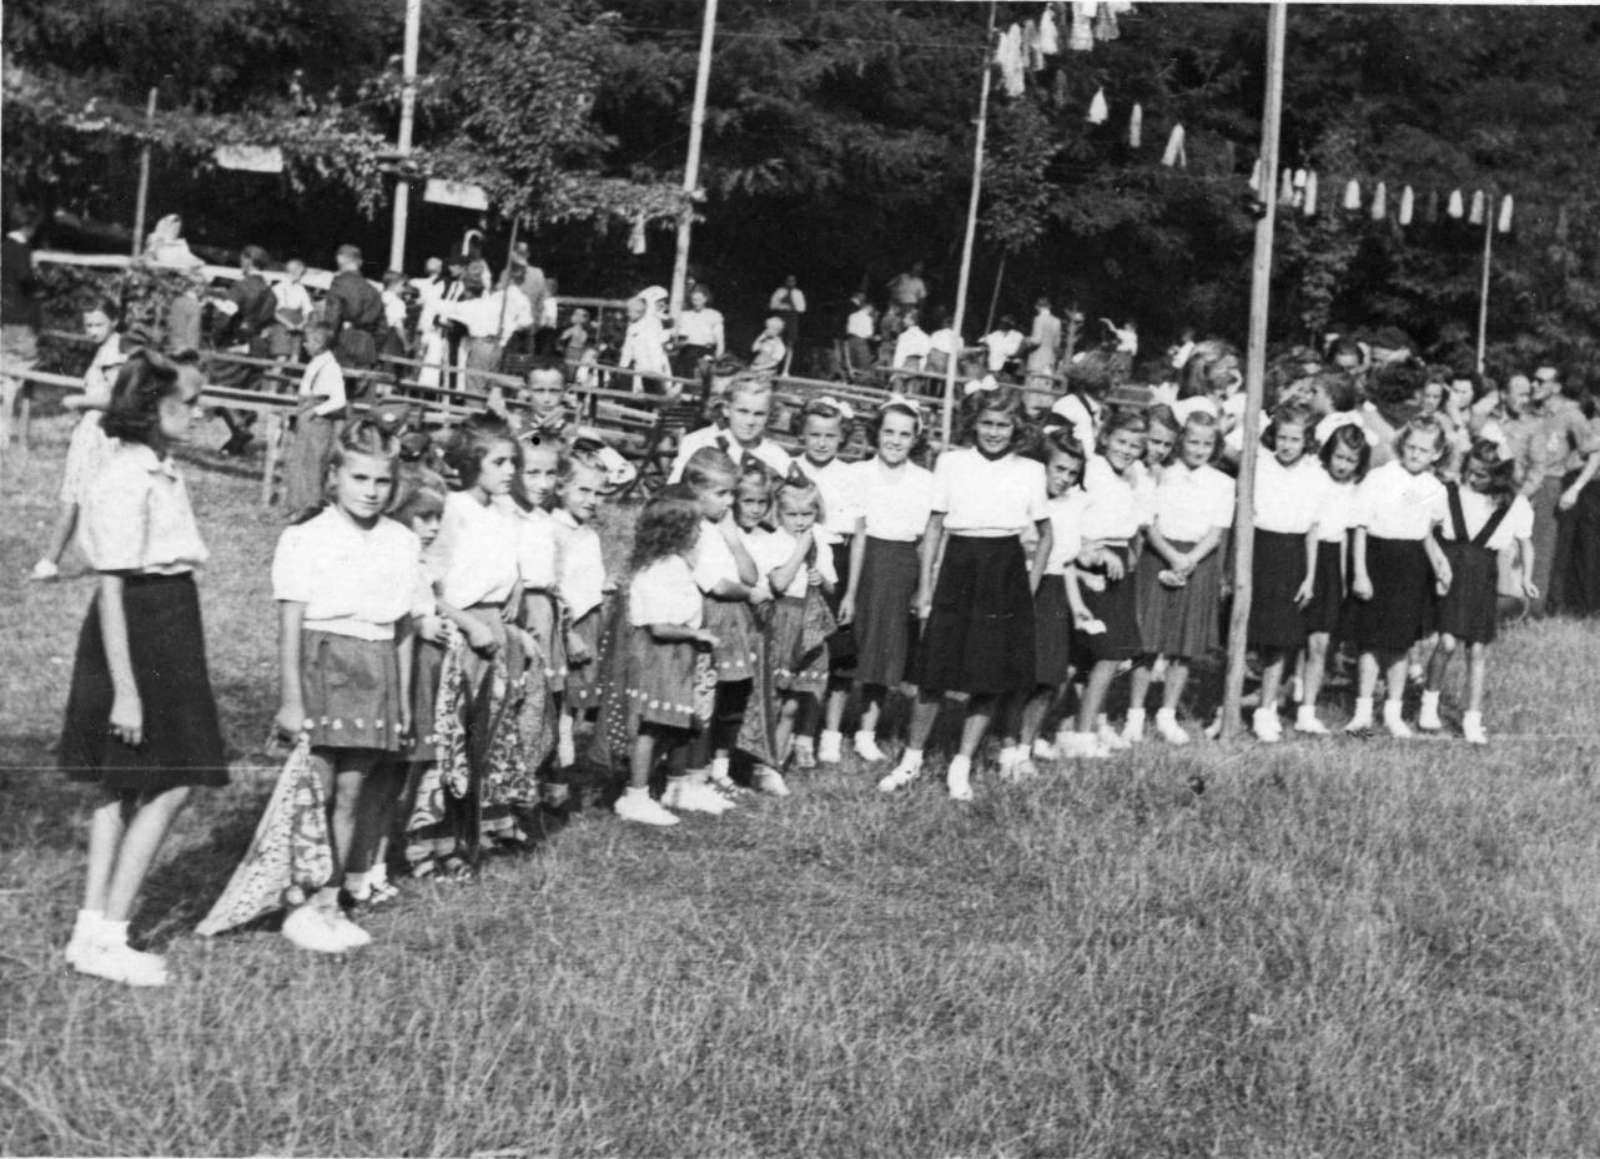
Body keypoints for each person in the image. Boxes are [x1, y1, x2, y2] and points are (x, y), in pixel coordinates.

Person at [60, 353, 226, 986]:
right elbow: (112, 588)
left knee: (123, 783)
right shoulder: (125, 477)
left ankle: (92, 932)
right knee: (173, 779)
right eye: (190, 401)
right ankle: (108, 934)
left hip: (169, 618)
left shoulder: (161, 468)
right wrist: (126, 692)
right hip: (140, 630)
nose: (200, 412)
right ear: (152, 407)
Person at [270, 419, 417, 952]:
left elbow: (402, 628)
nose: (371, 491)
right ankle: (299, 901)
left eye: (381, 481)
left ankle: (329, 902)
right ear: (334, 476)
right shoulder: (306, 537)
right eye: (359, 478)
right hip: (322, 664)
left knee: (352, 792)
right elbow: (290, 624)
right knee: (316, 789)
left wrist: (401, 701)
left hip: (374, 669)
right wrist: (292, 699)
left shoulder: (401, 540)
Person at [878, 386, 1050, 799]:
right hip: (959, 565)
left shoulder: (1030, 470)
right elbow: (935, 526)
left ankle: (962, 764)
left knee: (987, 675)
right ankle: (912, 759)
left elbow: (1046, 535)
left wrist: (1028, 588)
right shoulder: (951, 463)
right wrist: (925, 589)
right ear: (973, 424)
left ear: (1016, 428)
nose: (994, 432)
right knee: (934, 671)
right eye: (987, 423)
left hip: (1004, 570)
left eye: (1003, 425)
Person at [600, 488, 719, 826]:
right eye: (695, 526)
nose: (699, 533)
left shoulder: (673, 564)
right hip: (658, 656)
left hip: (675, 656)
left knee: (674, 723)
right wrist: (696, 634)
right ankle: (635, 795)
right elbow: (659, 626)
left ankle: (672, 787)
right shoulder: (660, 569)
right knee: (651, 725)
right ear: (677, 531)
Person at [1124, 411, 1233, 746]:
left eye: (1207, 444)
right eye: (1193, 441)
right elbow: (1149, 524)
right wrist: (1171, 557)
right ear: (1181, 440)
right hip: (1159, 555)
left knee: (1184, 646)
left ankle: (1167, 714)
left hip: (1199, 560)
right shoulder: (1162, 475)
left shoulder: (1222, 483)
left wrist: (1189, 560)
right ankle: (1134, 715)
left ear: (1215, 446)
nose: (1199, 449)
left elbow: (1216, 531)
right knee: (1148, 641)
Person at [1420, 439, 1537, 745]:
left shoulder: (1515, 505)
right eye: (1469, 471)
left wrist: (1526, 577)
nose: (1472, 479)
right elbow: (1427, 532)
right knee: (1446, 643)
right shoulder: (1450, 494)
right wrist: (1438, 564)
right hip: (1451, 573)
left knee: (1477, 649)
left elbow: (1525, 543)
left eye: (1481, 475)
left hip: (1483, 578)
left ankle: (1472, 719)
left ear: (1499, 476)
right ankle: (1428, 705)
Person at [838, 397, 935, 762]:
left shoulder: (924, 481)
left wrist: (923, 586)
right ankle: (827, 731)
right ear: (876, 433)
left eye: (904, 434)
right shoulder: (857, 473)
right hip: (860, 563)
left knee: (884, 651)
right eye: (889, 431)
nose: (895, 440)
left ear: (915, 439)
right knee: (848, 646)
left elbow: (926, 539)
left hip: (900, 567)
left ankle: (866, 732)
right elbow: (852, 530)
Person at [1346, 417, 1453, 737]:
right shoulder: (1379, 478)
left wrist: (1440, 565)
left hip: (1412, 566)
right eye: (1411, 446)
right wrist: (1360, 573)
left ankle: (1393, 713)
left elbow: (1428, 535)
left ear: (1436, 454)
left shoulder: (1435, 489)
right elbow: (1360, 527)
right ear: (1401, 445)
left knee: (1401, 643)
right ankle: (1362, 712)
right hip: (1377, 558)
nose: (1416, 454)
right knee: (1370, 641)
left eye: (1424, 450)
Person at [681, 445, 775, 801]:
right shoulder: (691, 529)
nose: (729, 501)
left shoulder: (722, 527)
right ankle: (694, 771)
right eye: (721, 494)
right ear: (695, 490)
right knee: (705, 697)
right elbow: (716, 585)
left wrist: (733, 537)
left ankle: (720, 769)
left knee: (733, 695)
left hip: (737, 621)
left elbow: (749, 574)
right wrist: (751, 594)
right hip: (711, 616)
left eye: (731, 494)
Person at [1058, 410, 1149, 759]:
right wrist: (1092, 552)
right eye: (1121, 441)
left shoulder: (1132, 476)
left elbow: (1129, 521)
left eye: (1135, 446)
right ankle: (1081, 734)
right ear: (1106, 437)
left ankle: (1074, 727)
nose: (1127, 450)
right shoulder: (1093, 470)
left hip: (1119, 561)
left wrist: (1129, 551)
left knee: (1101, 653)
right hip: (1093, 563)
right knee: (1106, 653)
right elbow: (1075, 517)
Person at [748, 471, 837, 788]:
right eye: (792, 515)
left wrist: (821, 580)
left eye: (807, 515)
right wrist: (801, 549)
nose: (800, 521)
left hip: (808, 622)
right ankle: (757, 759)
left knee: (795, 700)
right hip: (781, 619)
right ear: (779, 513)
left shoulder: (822, 545)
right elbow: (779, 582)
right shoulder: (774, 543)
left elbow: (831, 585)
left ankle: (773, 763)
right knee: (774, 695)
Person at [1247, 402, 1329, 743]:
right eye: (1282, 437)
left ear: (1306, 440)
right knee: (1248, 633)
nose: (1287, 445)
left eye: (1295, 439)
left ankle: (1265, 709)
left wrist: (1309, 577)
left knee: (1279, 640)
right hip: (1258, 550)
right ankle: (1228, 705)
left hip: (1292, 555)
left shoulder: (1314, 475)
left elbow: (1312, 530)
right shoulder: (1259, 466)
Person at [32, 301, 126, 581]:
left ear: (114, 322)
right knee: (87, 496)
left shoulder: (114, 353)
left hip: (98, 431)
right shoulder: (106, 348)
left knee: (73, 496)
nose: (92, 331)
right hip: (93, 428)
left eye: (99, 324)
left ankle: (50, 561)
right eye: (88, 325)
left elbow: (115, 399)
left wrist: (78, 400)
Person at [1016, 428, 1092, 766]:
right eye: (1059, 468)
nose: (1064, 478)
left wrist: (1077, 606)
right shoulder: (1021, 498)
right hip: (1019, 586)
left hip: (1054, 591)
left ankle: (1025, 745)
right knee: (1015, 674)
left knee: (1048, 675)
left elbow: (1066, 561)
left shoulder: (1073, 505)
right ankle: (1006, 743)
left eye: (1072, 473)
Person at [789, 398, 858, 765]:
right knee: (797, 649)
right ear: (801, 433)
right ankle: (789, 730)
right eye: (814, 434)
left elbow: (858, 536)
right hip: (796, 557)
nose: (821, 442)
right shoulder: (790, 468)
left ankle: (819, 734)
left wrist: (851, 591)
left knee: (834, 653)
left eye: (830, 436)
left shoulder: (850, 475)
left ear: (841, 437)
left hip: (836, 561)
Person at [1294, 421, 1368, 735]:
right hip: (1303, 554)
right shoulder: (1315, 478)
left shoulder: (1355, 489)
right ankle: (1281, 696)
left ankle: (1306, 710)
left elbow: (1345, 535)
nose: (1343, 465)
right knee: (1293, 636)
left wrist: (1342, 578)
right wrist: (1310, 575)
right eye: (1339, 457)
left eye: (1350, 460)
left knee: (1321, 640)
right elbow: (1310, 528)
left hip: (1332, 560)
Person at [552, 451, 610, 765]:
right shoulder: (553, 530)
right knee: (558, 690)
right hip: (565, 624)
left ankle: (566, 752)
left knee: (577, 692)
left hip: (590, 620)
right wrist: (568, 633)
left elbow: (586, 578)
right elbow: (554, 586)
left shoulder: (588, 534)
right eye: (583, 491)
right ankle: (557, 753)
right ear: (561, 487)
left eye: (598, 493)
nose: (592, 500)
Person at [213, 244, 278, 455]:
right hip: (257, 347)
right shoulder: (271, 293)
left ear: (248, 261)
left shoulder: (240, 288)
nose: (241, 264)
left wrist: (217, 335)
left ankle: (239, 430)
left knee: (217, 387)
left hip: (235, 344)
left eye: (242, 259)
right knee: (246, 393)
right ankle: (236, 443)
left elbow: (224, 318)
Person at [280, 322, 347, 516]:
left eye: (307, 341)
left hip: (317, 421)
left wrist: (316, 411)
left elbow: (339, 400)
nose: (304, 345)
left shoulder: (331, 367)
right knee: (299, 461)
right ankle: (296, 504)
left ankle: (310, 506)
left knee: (313, 464)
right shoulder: (317, 361)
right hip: (307, 415)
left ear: (319, 343)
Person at [669, 375, 792, 481]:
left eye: (759, 414)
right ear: (726, 409)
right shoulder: (698, 441)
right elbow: (674, 491)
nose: (750, 421)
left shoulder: (776, 455)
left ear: (769, 415)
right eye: (742, 411)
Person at [1, 202, 42, 466]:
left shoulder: (3, 246)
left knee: (6, 371)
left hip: (4, 318)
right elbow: (26, 280)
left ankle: (4, 430)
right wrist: (39, 279)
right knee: (25, 372)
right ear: (29, 226)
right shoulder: (21, 249)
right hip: (21, 318)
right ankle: (17, 435)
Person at [323, 244, 387, 372]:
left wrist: (325, 344)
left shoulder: (339, 284)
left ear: (340, 259)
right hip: (367, 346)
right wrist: (374, 348)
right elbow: (382, 328)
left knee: (335, 382)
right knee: (360, 382)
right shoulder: (373, 290)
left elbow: (332, 319)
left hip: (343, 343)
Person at [619, 294, 672, 393]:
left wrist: (656, 368)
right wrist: (623, 364)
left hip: (654, 363)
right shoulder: (632, 327)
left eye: (629, 311)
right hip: (640, 364)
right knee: (641, 391)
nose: (627, 314)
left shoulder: (652, 323)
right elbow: (627, 347)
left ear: (638, 311)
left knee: (657, 390)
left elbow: (656, 345)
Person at [673, 285, 726, 378]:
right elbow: (678, 338)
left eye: (699, 299)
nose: (696, 302)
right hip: (688, 351)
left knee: (704, 376)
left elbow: (720, 340)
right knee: (684, 374)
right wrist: (679, 343)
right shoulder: (685, 315)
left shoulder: (714, 315)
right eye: (694, 300)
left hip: (706, 351)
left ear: (705, 299)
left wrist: (718, 356)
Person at [267, 258, 314, 360]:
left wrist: (303, 323)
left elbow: (307, 309)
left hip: (298, 325)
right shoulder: (277, 288)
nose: (301, 276)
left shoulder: (301, 289)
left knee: (295, 357)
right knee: (282, 357)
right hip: (281, 325)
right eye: (300, 273)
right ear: (293, 271)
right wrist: (288, 324)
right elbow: (273, 312)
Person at [769, 275, 807, 368]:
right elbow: (772, 305)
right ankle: (773, 367)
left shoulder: (798, 293)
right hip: (780, 318)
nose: (790, 282)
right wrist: (783, 306)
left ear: (795, 282)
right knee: (776, 342)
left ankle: (786, 369)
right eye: (788, 280)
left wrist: (793, 307)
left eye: (792, 281)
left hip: (792, 319)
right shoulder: (780, 291)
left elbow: (802, 308)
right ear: (785, 281)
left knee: (790, 344)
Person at [1025, 297, 1062, 392]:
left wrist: (1026, 340)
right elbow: (1057, 344)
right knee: (1046, 389)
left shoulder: (1038, 319)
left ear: (1037, 307)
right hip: (1050, 361)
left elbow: (1037, 340)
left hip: (1037, 360)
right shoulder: (1057, 321)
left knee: (1033, 390)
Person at [844, 294, 877, 376]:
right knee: (864, 365)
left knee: (852, 364)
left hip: (850, 341)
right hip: (860, 343)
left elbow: (848, 329)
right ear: (869, 308)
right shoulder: (868, 319)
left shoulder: (852, 316)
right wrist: (876, 338)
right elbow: (868, 335)